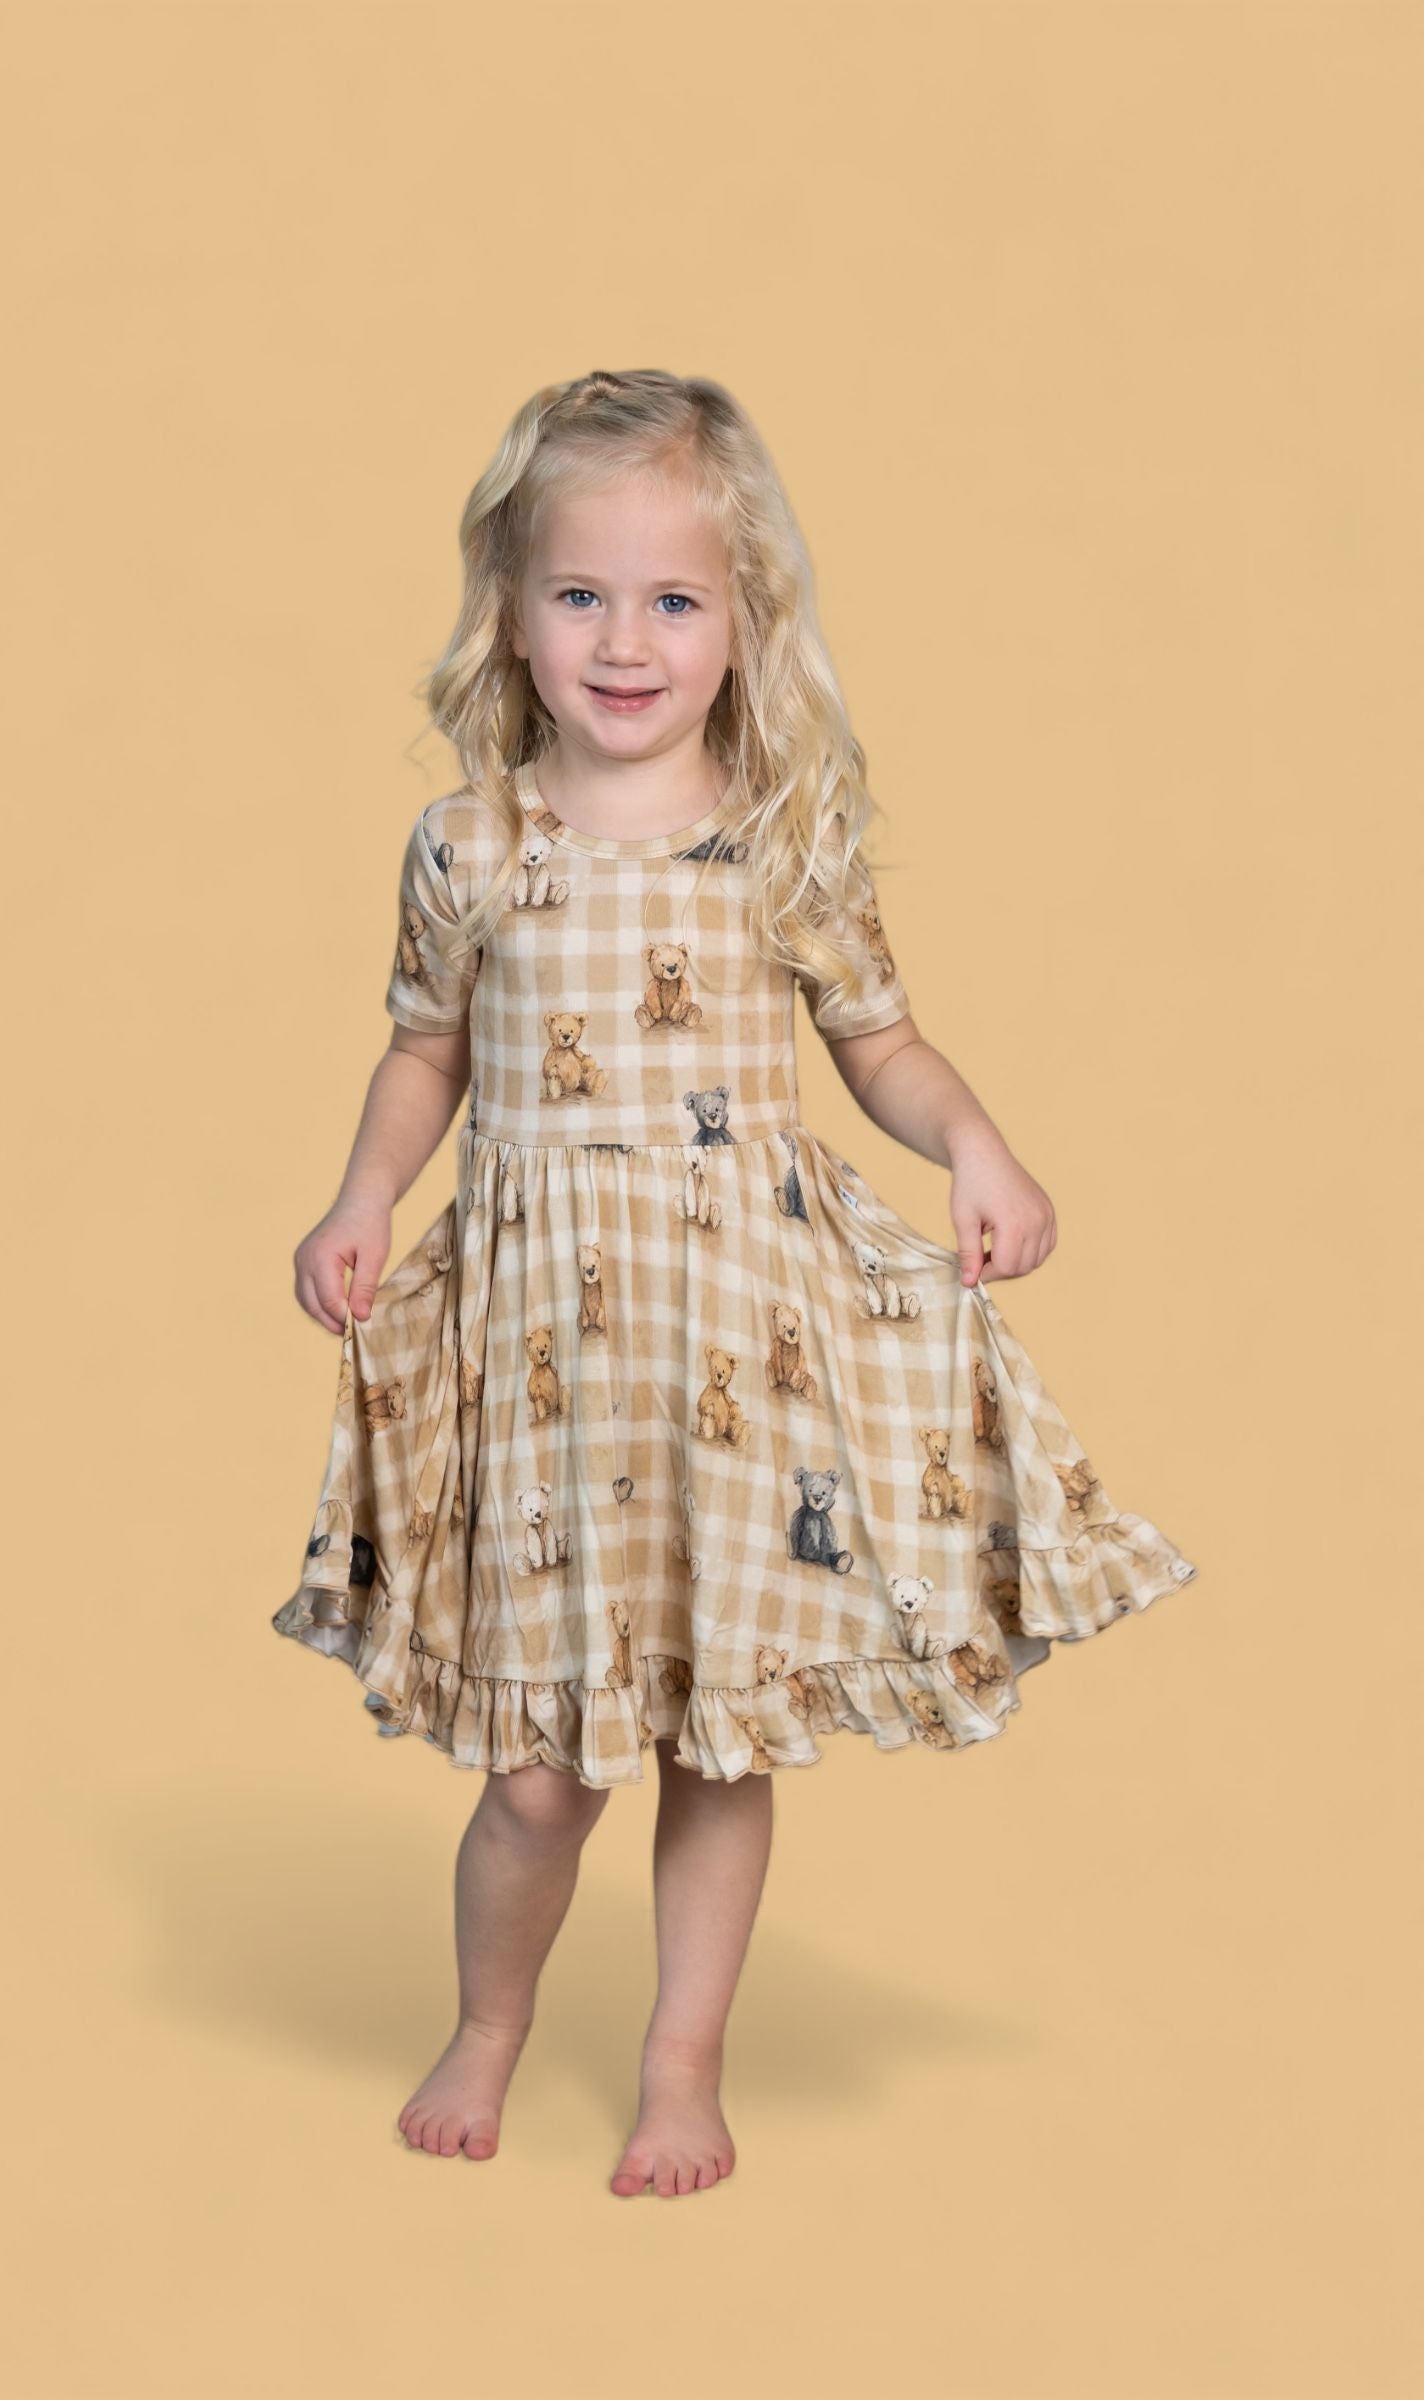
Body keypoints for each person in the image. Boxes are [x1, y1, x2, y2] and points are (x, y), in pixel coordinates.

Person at [271, 368, 1199, 2198]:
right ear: (512, 612)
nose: (626, 641)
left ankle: (681, 2061)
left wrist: (978, 1146)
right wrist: (364, 1193)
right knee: (539, 1774)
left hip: (740, 1352)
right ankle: (490, 2024)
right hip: (544, 1367)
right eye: (581, 594)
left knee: (718, 1738)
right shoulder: (473, 844)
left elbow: (884, 1045)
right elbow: (423, 1054)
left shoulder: (779, 841)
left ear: (744, 621)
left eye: (674, 600)